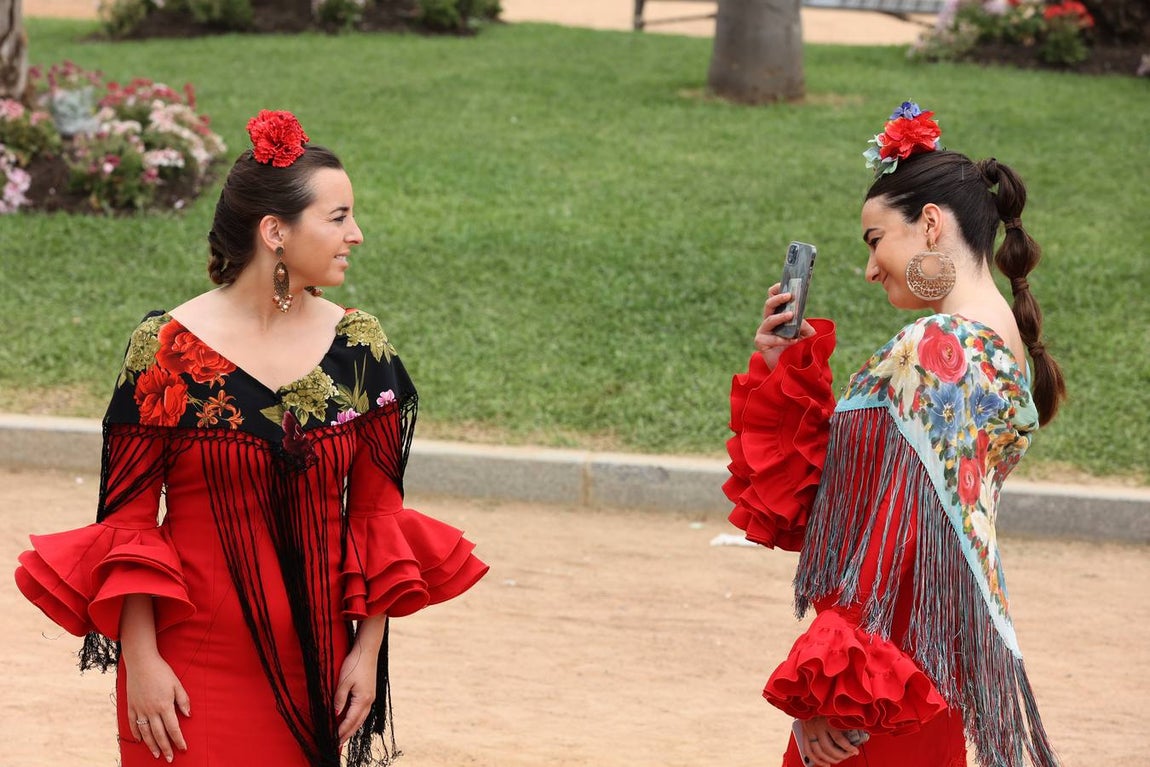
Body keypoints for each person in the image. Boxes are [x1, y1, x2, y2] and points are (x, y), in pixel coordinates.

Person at [15, 110, 489, 767]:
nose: (357, 233)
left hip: (317, 662)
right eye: (338, 216)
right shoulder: (164, 349)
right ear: (275, 232)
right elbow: (127, 524)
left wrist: (367, 651)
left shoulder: (361, 346)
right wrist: (142, 660)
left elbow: (377, 517)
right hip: (184, 670)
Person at [724, 102, 1066, 767]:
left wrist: (828, 684)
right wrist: (780, 365)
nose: (871, 267)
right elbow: (878, 497)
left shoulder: (944, 345)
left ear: (930, 223)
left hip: (881, 672)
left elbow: (891, 530)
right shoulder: (1003, 346)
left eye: (875, 239)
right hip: (923, 655)